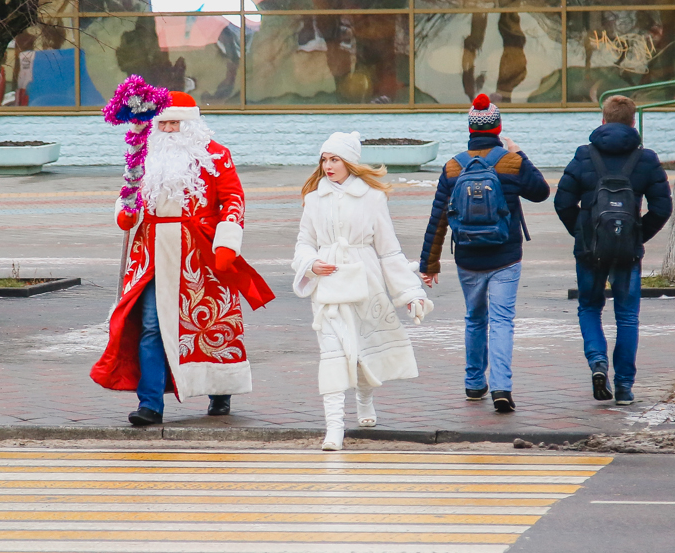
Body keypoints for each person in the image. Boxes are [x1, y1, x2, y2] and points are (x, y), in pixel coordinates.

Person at [91, 91, 275, 425]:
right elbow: (128, 196)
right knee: (149, 326)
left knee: (207, 325)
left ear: (192, 124)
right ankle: (150, 404)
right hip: (151, 256)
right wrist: (125, 211)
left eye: (177, 122)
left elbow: (233, 198)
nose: (171, 129)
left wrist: (227, 243)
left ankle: (220, 390)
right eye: (165, 122)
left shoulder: (216, 156)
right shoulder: (144, 156)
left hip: (199, 254)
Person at [293, 132, 432, 451]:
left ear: (349, 162)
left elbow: (389, 250)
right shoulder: (314, 197)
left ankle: (365, 398)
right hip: (328, 286)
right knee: (332, 352)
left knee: (363, 349)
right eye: (324, 159)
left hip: (366, 281)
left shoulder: (372, 197)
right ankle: (334, 428)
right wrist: (311, 263)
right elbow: (304, 242)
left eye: (335, 159)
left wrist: (411, 293)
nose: (328, 166)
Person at [419, 94, 549, 413]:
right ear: (498, 127)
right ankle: (502, 387)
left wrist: (429, 263)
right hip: (506, 255)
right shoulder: (510, 161)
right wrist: (520, 152)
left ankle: (474, 383)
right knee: (502, 320)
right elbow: (541, 192)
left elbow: (438, 217)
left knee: (475, 318)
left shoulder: (453, 166)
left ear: (470, 128)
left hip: (468, 256)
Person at [553, 95, 672, 405]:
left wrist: (583, 235)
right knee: (627, 317)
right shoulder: (646, 159)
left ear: (602, 121)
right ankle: (624, 388)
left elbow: (563, 202)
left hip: (590, 251)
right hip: (628, 252)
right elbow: (662, 207)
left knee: (590, 307)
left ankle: (597, 363)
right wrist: (637, 235)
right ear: (633, 123)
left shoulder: (583, 155)